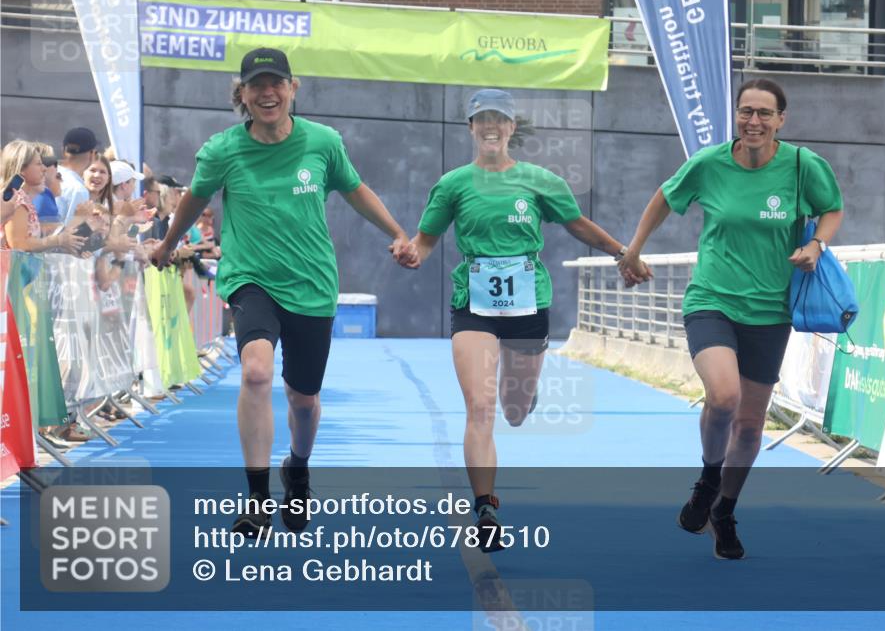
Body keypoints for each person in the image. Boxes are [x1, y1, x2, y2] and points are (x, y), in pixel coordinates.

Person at [150, 47, 416, 536]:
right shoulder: (223, 150)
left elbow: (356, 190)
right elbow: (194, 199)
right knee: (255, 372)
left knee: (303, 400)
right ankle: (257, 499)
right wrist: (167, 244)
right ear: (242, 94)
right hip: (251, 278)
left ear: (293, 88)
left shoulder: (323, 142)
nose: (267, 93)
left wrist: (398, 233)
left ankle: (298, 466)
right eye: (257, 86)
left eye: (276, 83)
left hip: (312, 284)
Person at [618, 78, 845, 560]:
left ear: (781, 119)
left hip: (771, 310)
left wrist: (816, 244)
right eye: (746, 111)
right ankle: (707, 481)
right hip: (712, 300)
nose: (753, 121)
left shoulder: (802, 166)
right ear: (736, 115)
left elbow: (832, 209)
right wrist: (633, 250)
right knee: (723, 396)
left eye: (764, 113)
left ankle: (724, 510)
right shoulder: (710, 163)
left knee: (750, 426)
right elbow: (665, 196)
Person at [399, 89, 630, 552]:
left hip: (527, 304)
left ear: (511, 127)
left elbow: (577, 224)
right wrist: (412, 253)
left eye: (498, 119)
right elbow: (425, 239)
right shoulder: (453, 184)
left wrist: (622, 252)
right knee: (480, 407)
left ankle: (522, 393)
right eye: (481, 119)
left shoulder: (540, 181)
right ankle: (485, 508)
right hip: (474, 306)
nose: (490, 127)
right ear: (471, 128)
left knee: (514, 411)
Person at [1, 140, 84, 254]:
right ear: (22, 169)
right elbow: (19, 244)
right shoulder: (15, 199)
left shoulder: (23, 199)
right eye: (38, 164)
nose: (44, 168)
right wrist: (57, 240)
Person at [55, 126, 101, 225]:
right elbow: (73, 232)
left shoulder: (45, 175)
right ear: (92, 154)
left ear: (63, 151)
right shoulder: (78, 190)